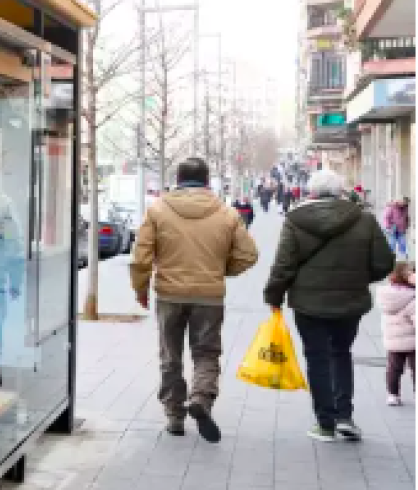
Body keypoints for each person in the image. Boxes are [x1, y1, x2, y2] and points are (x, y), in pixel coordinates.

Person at [131, 158, 259, 443]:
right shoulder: (226, 213)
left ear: (177, 178)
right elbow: (248, 254)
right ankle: (201, 398)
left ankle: (175, 415)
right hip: (209, 296)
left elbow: (141, 258)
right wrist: (221, 271)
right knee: (206, 352)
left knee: (170, 355)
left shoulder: (158, 210)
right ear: (207, 180)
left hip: (169, 294)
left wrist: (140, 289)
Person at [265, 169, 397, 442]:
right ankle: (344, 417)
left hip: (307, 303)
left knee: (317, 358)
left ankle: (325, 423)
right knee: (341, 352)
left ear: (311, 192)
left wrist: (274, 296)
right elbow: (384, 263)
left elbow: (284, 265)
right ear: (340, 191)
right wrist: (359, 279)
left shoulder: (295, 220)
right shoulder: (364, 220)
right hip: (350, 302)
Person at [379, 262, 415, 406]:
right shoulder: (412, 297)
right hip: (413, 341)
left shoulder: (387, 295)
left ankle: (393, 394)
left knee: (394, 368)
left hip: (393, 340)